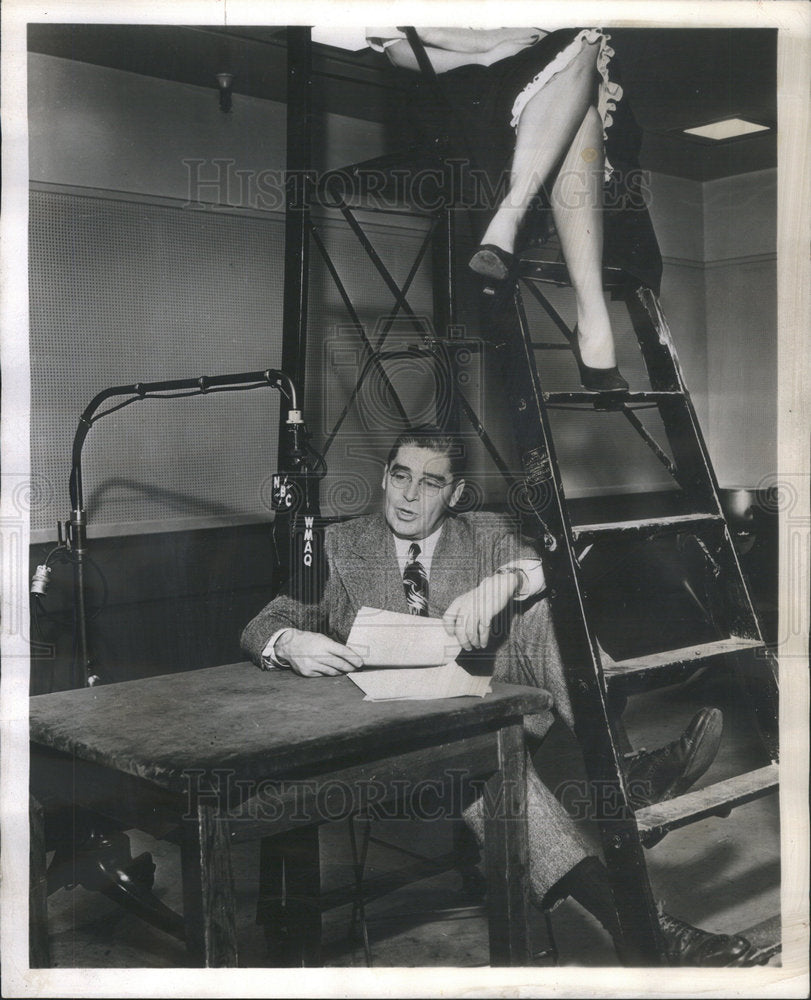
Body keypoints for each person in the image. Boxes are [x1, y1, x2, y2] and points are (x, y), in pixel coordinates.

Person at [242, 425, 763, 966]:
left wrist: (506, 581)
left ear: (454, 493)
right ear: (383, 477)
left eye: (430, 483)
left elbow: (541, 564)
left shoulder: (483, 532)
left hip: (481, 711)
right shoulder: (340, 544)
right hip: (399, 744)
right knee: (491, 772)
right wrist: (291, 641)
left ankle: (626, 771)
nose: (410, 495)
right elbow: (267, 622)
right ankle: (647, 929)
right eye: (400, 477)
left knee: (544, 613)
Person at [367, 26, 663, 392]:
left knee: (585, 66)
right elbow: (398, 49)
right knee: (583, 72)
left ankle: (509, 220)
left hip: (545, 89)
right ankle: (592, 321)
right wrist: (487, 50)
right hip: (462, 85)